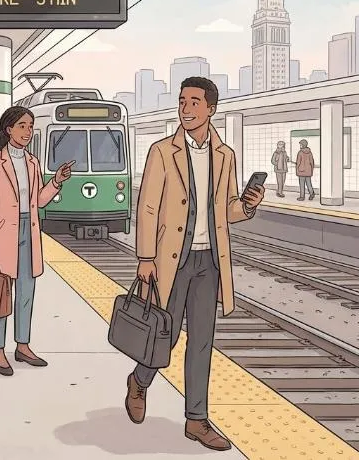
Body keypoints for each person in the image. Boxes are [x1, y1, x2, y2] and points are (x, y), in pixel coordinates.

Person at [127, 77, 263, 451]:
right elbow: (149, 206)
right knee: (163, 336)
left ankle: (196, 420)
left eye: (194, 102)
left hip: (210, 261)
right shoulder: (161, 152)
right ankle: (139, 381)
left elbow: (228, 209)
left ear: (211, 109)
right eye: (182, 101)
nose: (186, 109)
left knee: (202, 342)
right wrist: (145, 256)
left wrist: (248, 205)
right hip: (172, 260)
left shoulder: (225, 155)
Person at [0, 106, 73, 377]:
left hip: (28, 232)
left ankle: (22, 345)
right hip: (1, 234)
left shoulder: (32, 163)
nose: (28, 131)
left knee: (26, 292)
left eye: (30, 126)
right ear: (9, 129)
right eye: (22, 126)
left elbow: (39, 201)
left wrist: (56, 181)